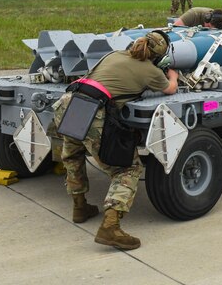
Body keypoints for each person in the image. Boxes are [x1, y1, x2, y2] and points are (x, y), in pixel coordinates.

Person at [52, 31, 179, 250]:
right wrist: (173, 76)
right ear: (158, 55)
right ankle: (110, 226)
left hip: (69, 103)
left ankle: (80, 207)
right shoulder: (151, 71)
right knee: (127, 169)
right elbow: (170, 90)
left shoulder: (114, 54)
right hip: (94, 111)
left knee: (73, 155)